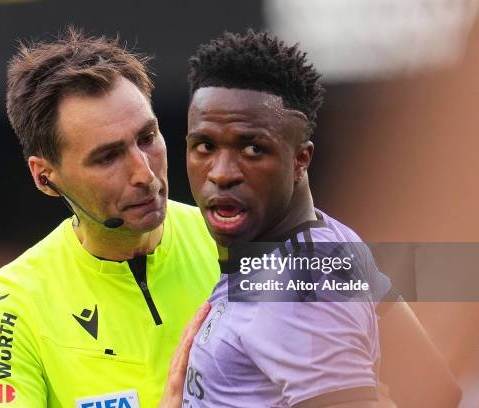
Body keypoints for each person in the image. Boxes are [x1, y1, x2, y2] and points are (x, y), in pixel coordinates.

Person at [166, 30, 461, 408]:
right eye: (204, 146)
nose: (221, 173)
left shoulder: (296, 288)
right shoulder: (329, 239)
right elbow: (435, 391)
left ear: (301, 159)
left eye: (253, 149)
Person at [0, 27, 220, 407]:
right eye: (107, 157)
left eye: (147, 138)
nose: (144, 175)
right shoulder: (13, 308)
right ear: (45, 177)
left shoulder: (238, 244)